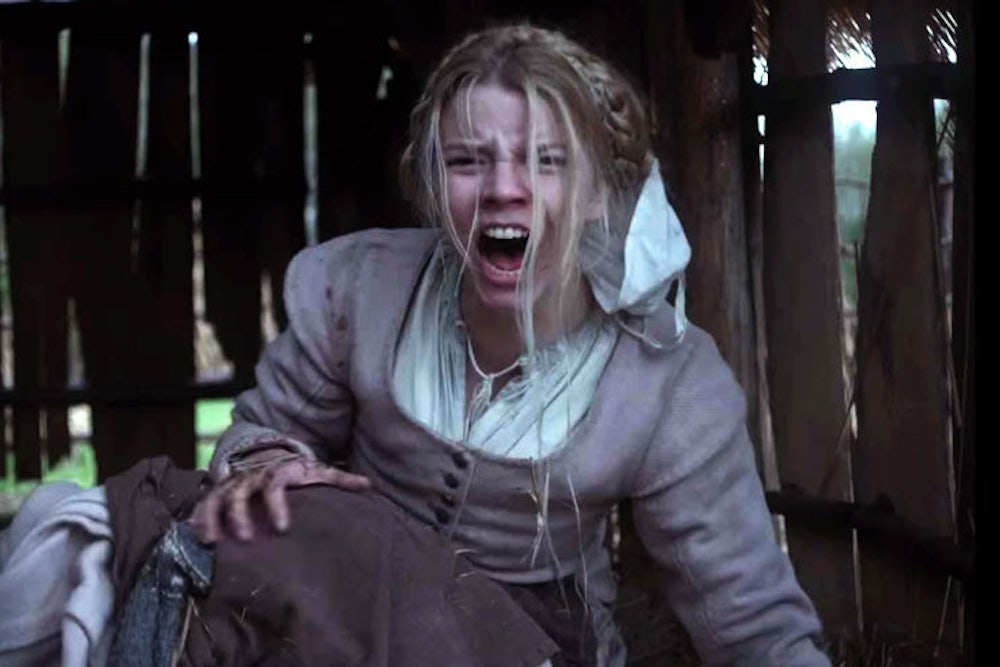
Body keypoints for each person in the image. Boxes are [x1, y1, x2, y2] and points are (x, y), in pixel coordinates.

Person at [189, 22, 831, 666]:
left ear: (599, 192)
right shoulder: (359, 291)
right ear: (434, 181)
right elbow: (266, 430)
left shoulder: (664, 379)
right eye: (468, 161)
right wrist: (267, 463)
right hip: (347, 624)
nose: (502, 188)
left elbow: (751, 620)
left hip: (535, 645)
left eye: (547, 161)